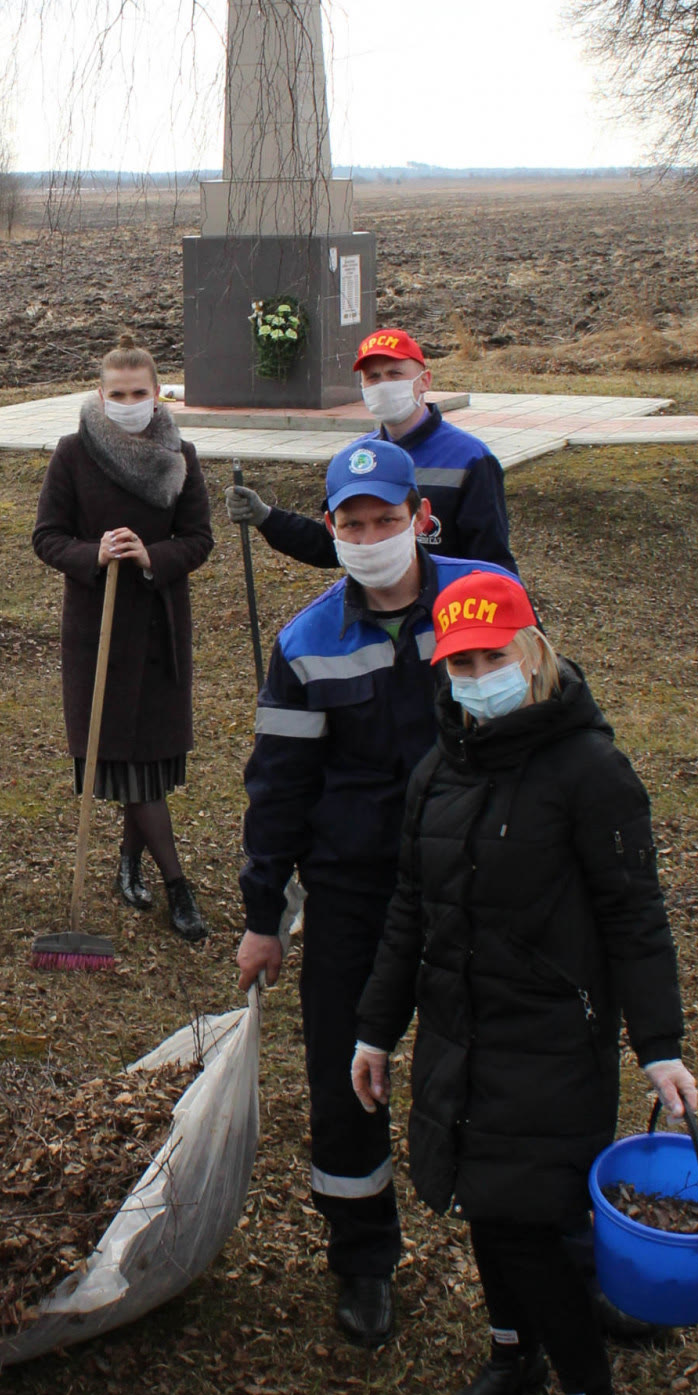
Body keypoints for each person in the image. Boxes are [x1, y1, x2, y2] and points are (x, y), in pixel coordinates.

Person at [352, 571, 694, 1395]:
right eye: (460, 662)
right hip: (463, 1028)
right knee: (476, 1196)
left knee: (527, 1220)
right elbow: (409, 912)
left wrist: (657, 1043)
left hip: (553, 1035)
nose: (475, 674)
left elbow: (636, 915)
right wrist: (376, 1029)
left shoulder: (590, 772)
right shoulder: (439, 770)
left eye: (491, 656)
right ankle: (513, 1354)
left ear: (532, 652)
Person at [235, 437, 515, 1345]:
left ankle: (533, 1252)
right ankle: (362, 1258)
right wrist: (261, 914)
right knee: (341, 1071)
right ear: (331, 529)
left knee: (501, 1066)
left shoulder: (479, 596)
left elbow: (543, 717)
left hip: (476, 873)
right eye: (351, 522)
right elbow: (277, 786)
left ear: (418, 519)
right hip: (356, 886)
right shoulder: (307, 640)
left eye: (385, 519)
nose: (369, 534)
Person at [32, 335, 215, 938]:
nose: (129, 402)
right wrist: (96, 552)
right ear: (100, 395)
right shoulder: (73, 453)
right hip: (99, 632)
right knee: (126, 757)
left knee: (151, 761)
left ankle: (129, 862)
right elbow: (47, 536)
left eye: (140, 393)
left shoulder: (180, 453)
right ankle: (176, 885)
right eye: (118, 394)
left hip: (159, 625)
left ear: (157, 394)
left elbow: (198, 539)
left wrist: (151, 555)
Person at [225, 326, 515, 572]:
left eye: (395, 373)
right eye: (373, 377)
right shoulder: (355, 460)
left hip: (447, 613)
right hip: (376, 611)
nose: (384, 384)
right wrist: (268, 518)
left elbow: (491, 561)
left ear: (424, 380)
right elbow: (332, 545)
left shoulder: (470, 459)